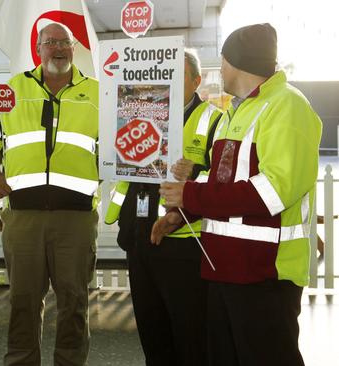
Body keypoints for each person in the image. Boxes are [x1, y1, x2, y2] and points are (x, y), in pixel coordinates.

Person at [154, 23, 322, 366]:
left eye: (224, 59)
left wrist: (191, 197)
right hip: (225, 268)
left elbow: (273, 192)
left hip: (265, 273)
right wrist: (181, 214)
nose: (221, 67)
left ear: (238, 62)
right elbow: (226, 185)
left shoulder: (287, 107)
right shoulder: (238, 110)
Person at [0, 23, 99, 365]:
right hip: (23, 215)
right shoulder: (10, 90)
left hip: (75, 218)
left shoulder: (97, 93)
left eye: (64, 42)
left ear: (74, 48)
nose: (58, 49)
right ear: (38, 47)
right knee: (23, 301)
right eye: (50, 43)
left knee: (74, 302)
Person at [104, 49, 222, 366]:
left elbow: (222, 178)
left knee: (189, 334)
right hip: (139, 237)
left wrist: (195, 173)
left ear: (197, 81)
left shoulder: (213, 120)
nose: (167, 82)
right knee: (151, 332)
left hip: (183, 242)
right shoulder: (137, 112)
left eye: (177, 75)